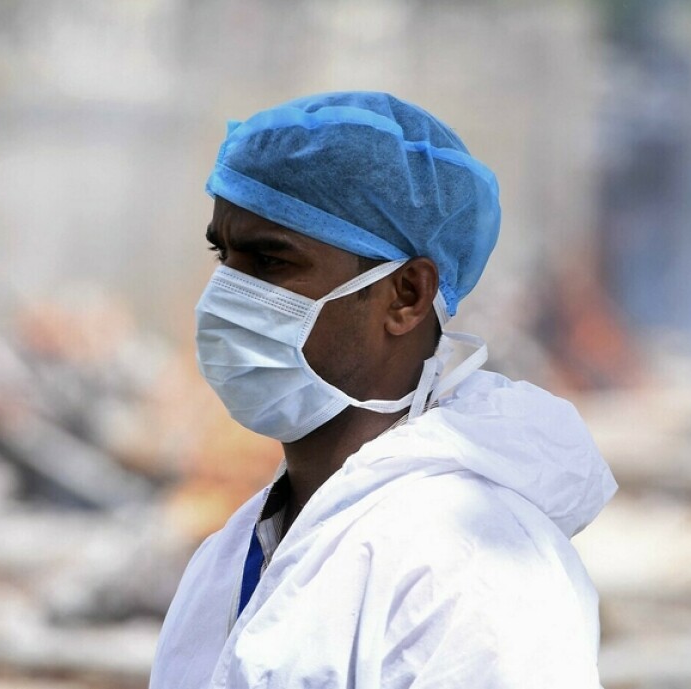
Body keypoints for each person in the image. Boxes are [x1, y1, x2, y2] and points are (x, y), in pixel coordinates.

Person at [151, 91, 617, 688]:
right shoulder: (238, 549)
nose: (225, 295)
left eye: (270, 262)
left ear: (407, 296)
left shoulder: (471, 567)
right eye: (225, 257)